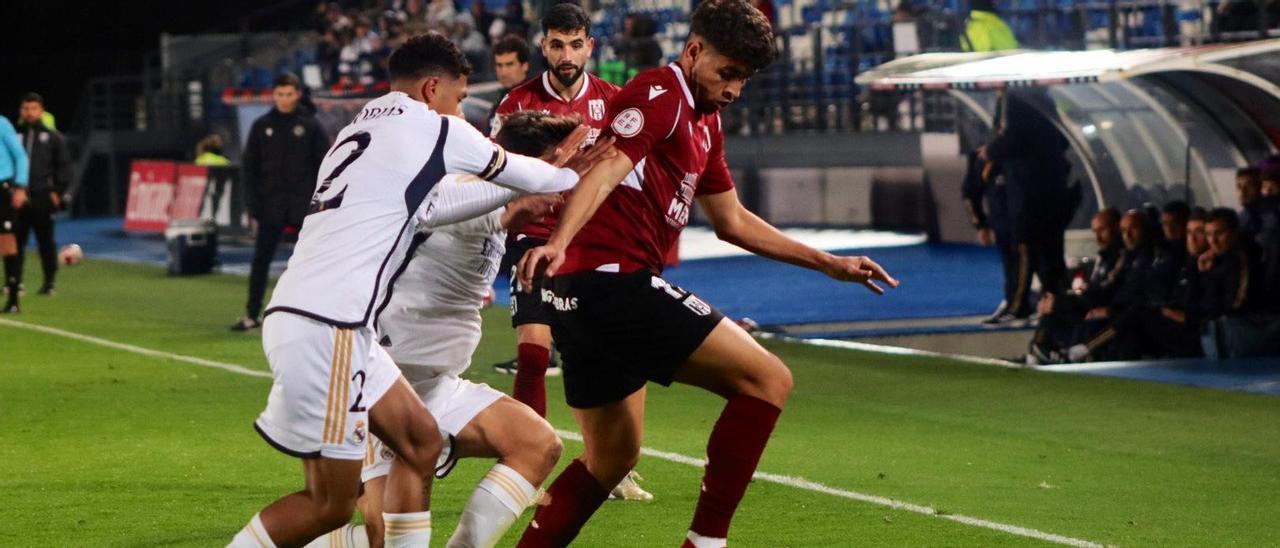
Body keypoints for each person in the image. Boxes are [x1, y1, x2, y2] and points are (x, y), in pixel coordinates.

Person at [513, 2, 897, 546]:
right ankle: (706, 543)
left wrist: (830, 264)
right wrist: (558, 240)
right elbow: (606, 169)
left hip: (581, 295)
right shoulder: (661, 93)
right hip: (611, 283)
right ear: (693, 52)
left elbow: (731, 221)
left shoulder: (705, 121)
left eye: (745, 78)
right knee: (768, 380)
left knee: (611, 458)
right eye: (728, 72)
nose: (735, 88)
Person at [229, 33, 604, 548]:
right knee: (331, 507)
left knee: (424, 444)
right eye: (458, 98)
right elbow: (507, 177)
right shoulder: (434, 129)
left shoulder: (362, 127)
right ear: (432, 89)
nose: (462, 114)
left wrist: (531, 192)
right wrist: (562, 175)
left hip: (343, 324)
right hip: (333, 320)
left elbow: (436, 205)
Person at [323, 112, 587, 548]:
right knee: (384, 541)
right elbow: (464, 210)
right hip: (382, 385)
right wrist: (527, 194)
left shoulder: (496, 202)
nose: (556, 192)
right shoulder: (459, 188)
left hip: (436, 385)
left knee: (538, 443)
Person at [489, 3, 620, 412]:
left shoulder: (614, 102)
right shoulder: (516, 104)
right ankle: (527, 449)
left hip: (592, 240)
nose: (567, 55)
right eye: (558, 45)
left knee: (605, 357)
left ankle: (613, 453)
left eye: (575, 45)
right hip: (535, 237)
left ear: (590, 47)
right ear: (543, 46)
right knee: (533, 355)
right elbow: (493, 176)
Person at [231, 74, 332, 332]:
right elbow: (250, 169)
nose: (284, 99)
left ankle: (316, 315)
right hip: (271, 206)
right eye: (280, 94)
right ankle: (252, 314)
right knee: (261, 260)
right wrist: (253, 205)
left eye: (288, 94)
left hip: (303, 208)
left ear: (297, 94)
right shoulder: (262, 126)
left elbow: (326, 167)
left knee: (311, 261)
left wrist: (320, 204)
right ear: (273, 96)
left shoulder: (310, 126)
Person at [977, 87, 1076, 323]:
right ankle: (1055, 303)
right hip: (1049, 191)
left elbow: (1014, 136)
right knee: (1050, 251)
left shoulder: (1016, 100)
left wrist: (990, 151)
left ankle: (1019, 305)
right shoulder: (1042, 100)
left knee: (1025, 248)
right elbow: (1062, 140)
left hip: (1029, 194)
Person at [1027, 208, 1124, 363]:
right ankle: (1036, 353)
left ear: (1116, 227)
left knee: (1058, 306)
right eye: (1095, 232)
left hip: (1109, 310)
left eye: (1102, 230)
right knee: (1051, 312)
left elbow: (1104, 293)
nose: (1098, 237)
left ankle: (1065, 355)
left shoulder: (1122, 258)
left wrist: (1060, 302)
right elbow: (1094, 290)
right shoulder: (1105, 258)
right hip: (1093, 306)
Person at [9, 93, 69, 298]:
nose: (29, 113)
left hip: (42, 196)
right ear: (21, 111)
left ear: (41, 111)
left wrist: (57, 192)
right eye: (26, 109)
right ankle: (14, 282)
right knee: (14, 241)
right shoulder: (14, 135)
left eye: (33, 108)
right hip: (18, 197)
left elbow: (63, 167)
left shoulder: (52, 137)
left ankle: (49, 283)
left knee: (46, 242)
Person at [0, 115, 29, 314]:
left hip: (2, 187)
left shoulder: (1, 123)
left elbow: (20, 155)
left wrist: (20, 186)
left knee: (7, 240)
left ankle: (13, 299)